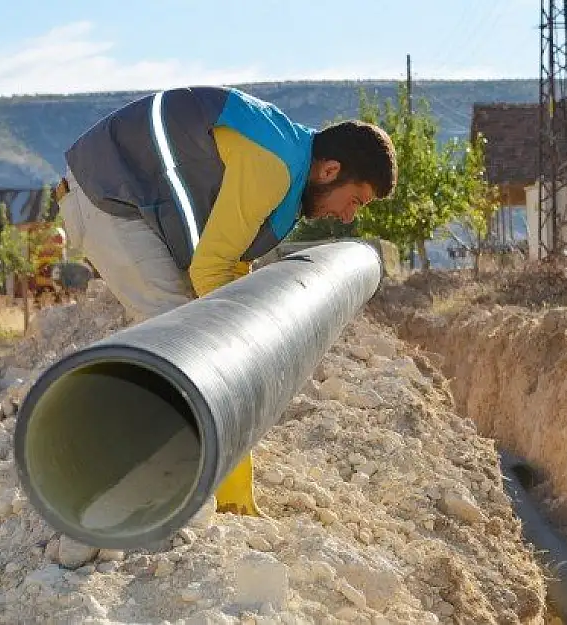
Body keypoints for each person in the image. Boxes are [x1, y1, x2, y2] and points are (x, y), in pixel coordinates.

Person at [52, 85, 397, 518]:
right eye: (355, 201)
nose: (348, 217)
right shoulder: (273, 168)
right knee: (182, 347)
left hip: (128, 199)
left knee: (204, 349)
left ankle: (226, 497)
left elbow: (225, 263)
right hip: (106, 196)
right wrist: (250, 342)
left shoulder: (285, 160)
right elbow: (210, 269)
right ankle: (158, 493)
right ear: (329, 170)